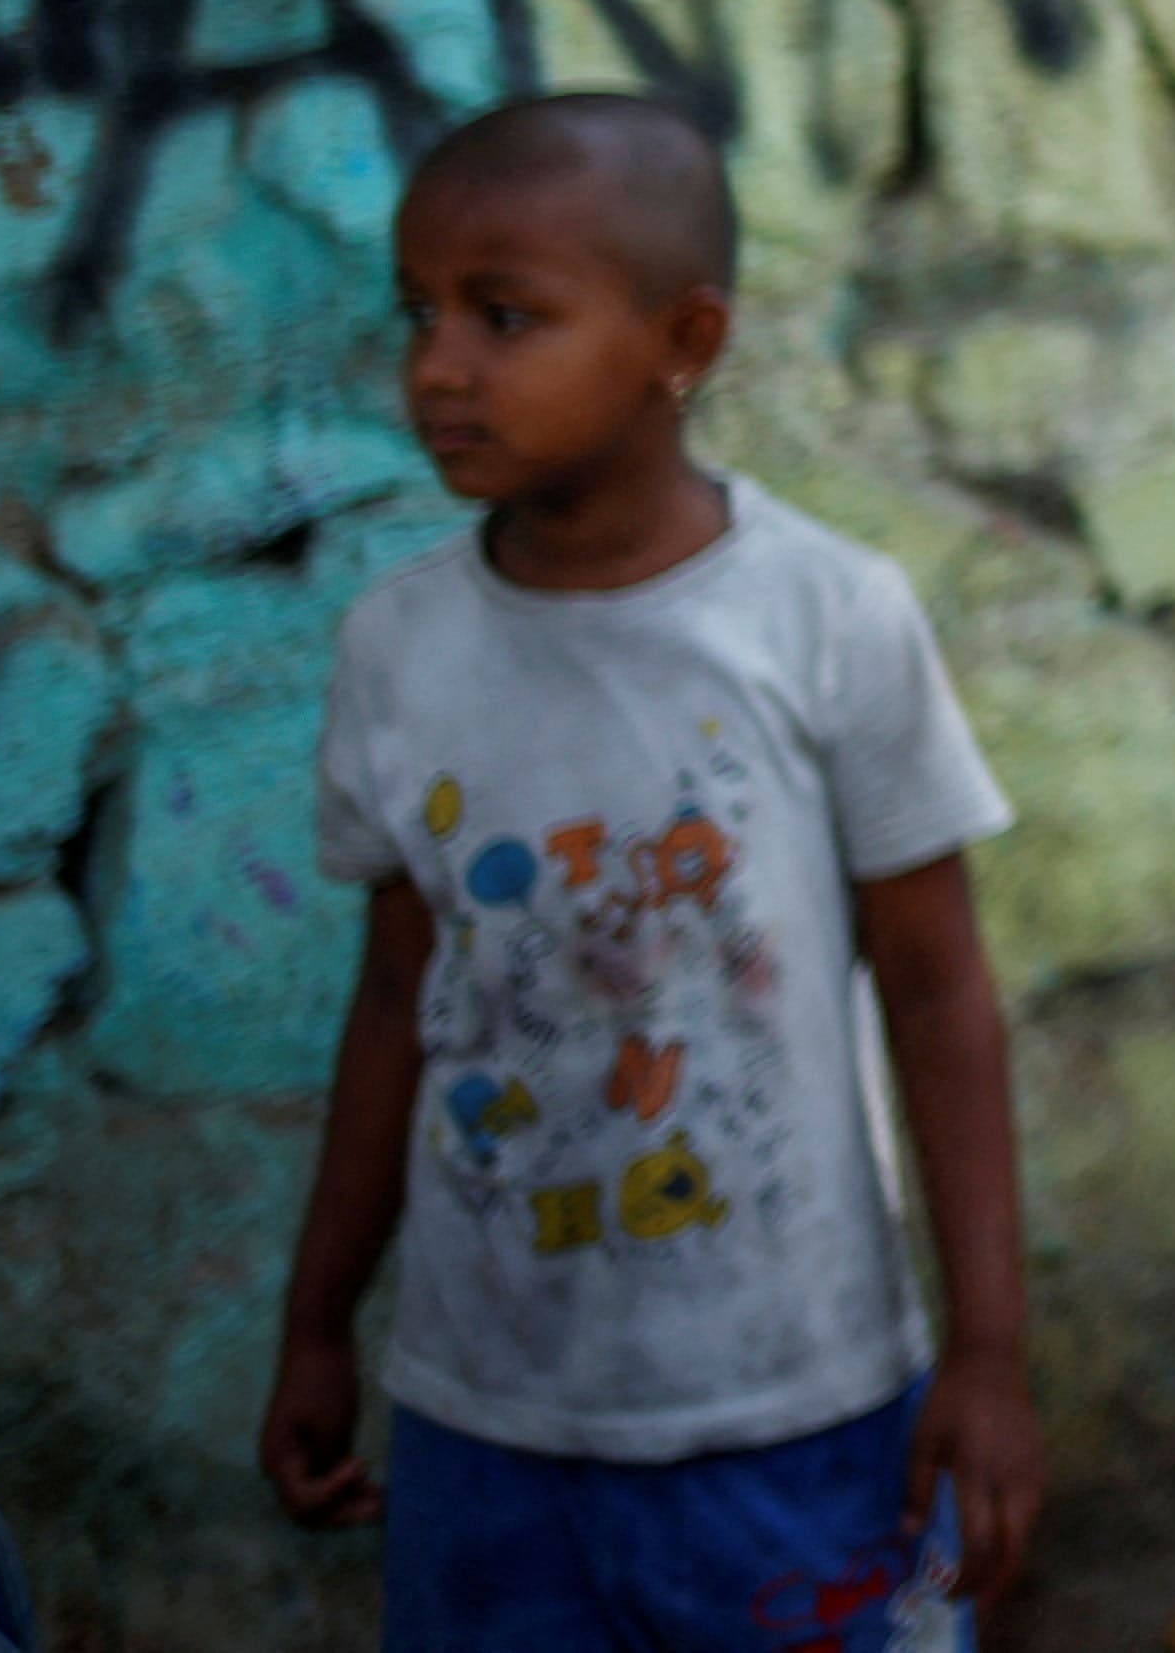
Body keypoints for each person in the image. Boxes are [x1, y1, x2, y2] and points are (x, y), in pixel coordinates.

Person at [260, 94, 1041, 1647]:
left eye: (506, 316)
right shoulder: (399, 649)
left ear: (683, 339)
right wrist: (315, 1321)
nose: (438, 367)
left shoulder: (826, 616)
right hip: (486, 1415)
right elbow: (396, 1001)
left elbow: (941, 993)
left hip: (795, 1405)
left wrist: (992, 1353)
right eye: (419, 313)